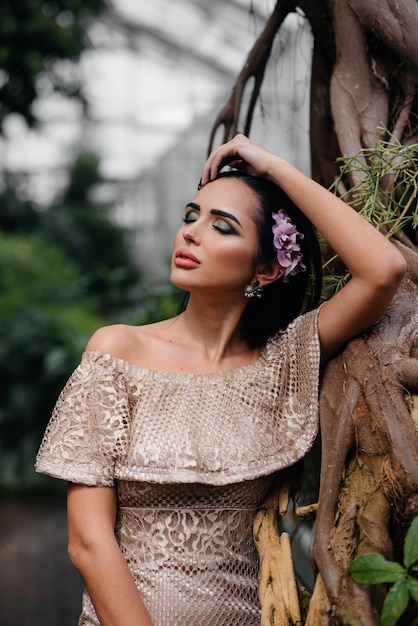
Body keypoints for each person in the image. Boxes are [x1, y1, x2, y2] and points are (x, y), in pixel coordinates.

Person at [35, 134, 406, 626]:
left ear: (268, 268)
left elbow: (385, 270)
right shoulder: (118, 352)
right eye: (191, 216)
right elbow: (88, 544)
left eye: (222, 227)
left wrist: (275, 168)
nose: (190, 233)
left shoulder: (285, 361)